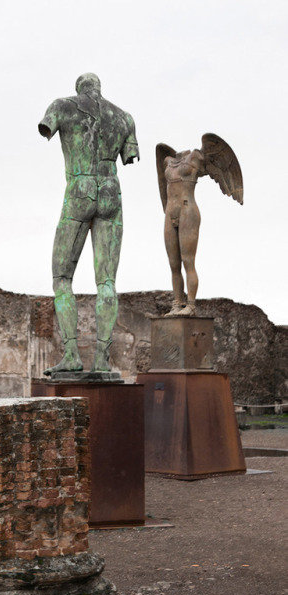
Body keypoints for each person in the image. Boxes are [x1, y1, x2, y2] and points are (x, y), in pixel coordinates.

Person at [39, 73, 139, 374]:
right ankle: (101, 359)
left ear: (78, 88)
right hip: (110, 191)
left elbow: (47, 127)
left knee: (62, 278)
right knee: (107, 282)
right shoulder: (124, 118)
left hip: (79, 191)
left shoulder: (62, 106)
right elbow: (129, 156)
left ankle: (71, 354)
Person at [156, 134, 243, 317]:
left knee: (188, 261)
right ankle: (177, 303)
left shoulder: (196, 156)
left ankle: (191, 305)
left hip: (188, 211)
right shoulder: (167, 160)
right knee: (173, 264)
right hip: (170, 212)